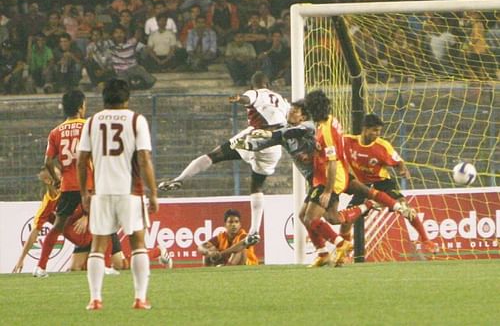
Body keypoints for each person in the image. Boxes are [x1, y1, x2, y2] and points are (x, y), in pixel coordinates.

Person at [159, 71, 290, 245]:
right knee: (257, 185)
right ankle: (254, 232)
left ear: (253, 85)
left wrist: (238, 98)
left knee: (213, 155)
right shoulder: (282, 100)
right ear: (269, 85)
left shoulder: (256, 92)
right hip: (273, 145)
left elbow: (248, 99)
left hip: (255, 136)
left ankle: (179, 179)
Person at [302, 90, 415, 267]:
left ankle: (340, 244)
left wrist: (328, 190)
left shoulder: (326, 130)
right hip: (331, 174)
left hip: (330, 177)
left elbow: (331, 161)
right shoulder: (331, 120)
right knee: (314, 216)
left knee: (314, 219)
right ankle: (323, 253)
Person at [77, 78, 159, 310]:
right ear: (127, 98)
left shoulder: (92, 122)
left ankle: (95, 299)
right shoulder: (136, 120)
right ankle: (140, 298)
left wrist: (85, 191)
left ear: (103, 98)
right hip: (130, 192)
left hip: (101, 192)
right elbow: (144, 159)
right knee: (138, 243)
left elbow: (81, 161)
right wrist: (153, 193)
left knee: (98, 246)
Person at [342, 114, 439, 254]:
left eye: (379, 131)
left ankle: (426, 241)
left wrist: (402, 171)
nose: (377, 134)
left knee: (406, 208)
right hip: (362, 186)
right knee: (346, 220)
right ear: (364, 129)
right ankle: (343, 252)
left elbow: (398, 162)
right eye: (374, 130)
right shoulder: (348, 141)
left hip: (382, 183)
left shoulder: (383, 146)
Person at [33, 90, 94, 278]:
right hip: (89, 185)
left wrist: (58, 180)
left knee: (58, 226)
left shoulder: (56, 132)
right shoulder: (90, 127)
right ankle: (106, 265)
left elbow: (48, 162)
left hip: (68, 186)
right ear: (80, 106)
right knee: (104, 224)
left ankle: (41, 267)